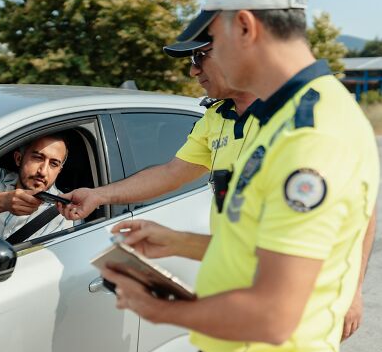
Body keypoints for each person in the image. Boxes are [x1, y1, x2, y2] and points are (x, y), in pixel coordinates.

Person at [100, 0, 380, 352]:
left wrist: (159, 309)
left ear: (245, 26)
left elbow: (273, 316)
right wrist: (177, 242)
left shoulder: (310, 135)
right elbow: (262, 246)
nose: (200, 62)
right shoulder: (278, 118)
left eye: (209, 41)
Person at [60, 38, 258, 235]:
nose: (193, 71)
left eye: (200, 57)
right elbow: (171, 174)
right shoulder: (214, 117)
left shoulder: (285, 116)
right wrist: (97, 195)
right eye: (192, 61)